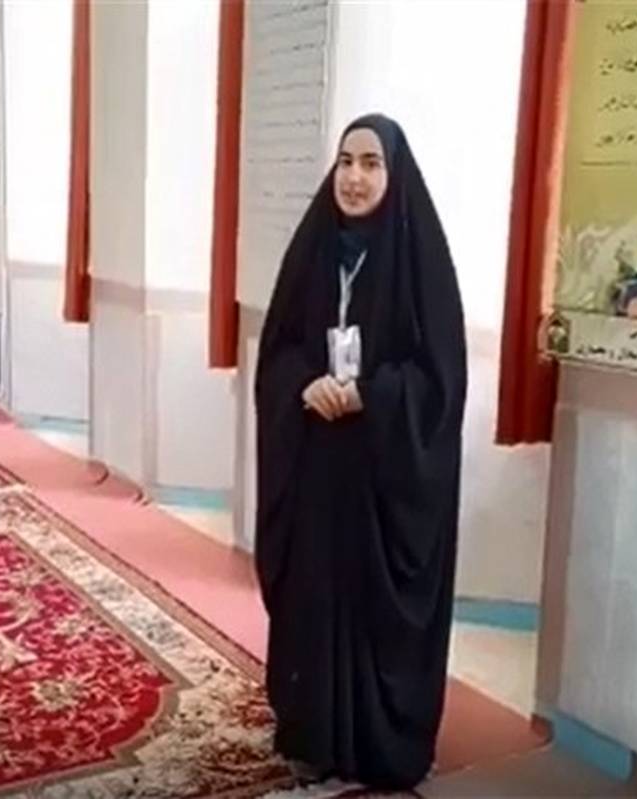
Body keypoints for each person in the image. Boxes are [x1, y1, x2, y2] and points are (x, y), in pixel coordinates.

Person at [254, 114, 467, 790]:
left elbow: (440, 381)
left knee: (375, 610)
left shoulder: (421, 263)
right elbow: (278, 352)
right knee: (315, 600)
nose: (354, 177)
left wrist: (371, 396)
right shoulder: (312, 250)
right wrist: (304, 384)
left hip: (383, 482)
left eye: (371, 163)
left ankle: (382, 741)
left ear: (393, 175)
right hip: (319, 470)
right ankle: (315, 733)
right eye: (346, 161)